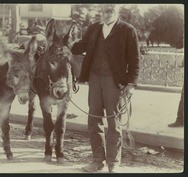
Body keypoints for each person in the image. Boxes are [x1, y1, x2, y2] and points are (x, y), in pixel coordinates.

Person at [71, 4, 140, 173]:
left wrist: (131, 84)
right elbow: (81, 46)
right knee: (94, 119)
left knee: (113, 122)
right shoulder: (94, 28)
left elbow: (135, 59)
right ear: (101, 12)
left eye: (110, 10)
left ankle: (113, 162)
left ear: (117, 12)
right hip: (94, 79)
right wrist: (68, 42)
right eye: (104, 10)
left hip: (114, 81)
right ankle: (97, 161)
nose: (107, 13)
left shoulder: (127, 30)